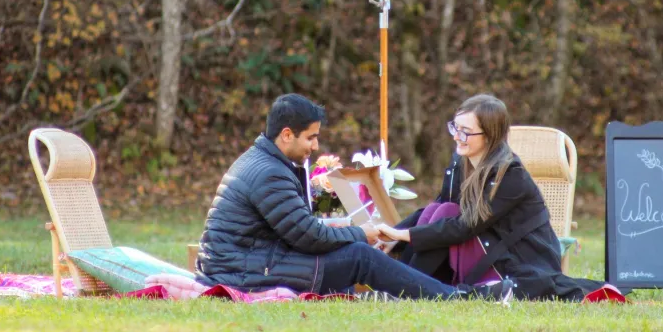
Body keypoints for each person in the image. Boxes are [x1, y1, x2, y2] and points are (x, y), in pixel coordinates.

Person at [195, 93, 514, 301]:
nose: (315, 146)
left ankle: (437, 293)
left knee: (352, 249)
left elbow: (296, 227)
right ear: (287, 134)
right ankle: (456, 298)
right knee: (360, 255)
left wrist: (345, 228)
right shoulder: (269, 173)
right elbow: (307, 236)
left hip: (248, 263)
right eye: (311, 138)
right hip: (244, 273)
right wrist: (361, 232)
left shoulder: (265, 162)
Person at [376, 94, 609, 302]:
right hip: (483, 251)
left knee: (446, 213)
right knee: (438, 209)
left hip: (516, 264)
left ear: (489, 136)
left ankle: (402, 289)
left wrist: (405, 235)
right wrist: (393, 236)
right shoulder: (461, 163)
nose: (457, 137)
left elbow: (465, 227)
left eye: (465, 131)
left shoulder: (510, 175)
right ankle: (398, 283)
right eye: (455, 127)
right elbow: (434, 210)